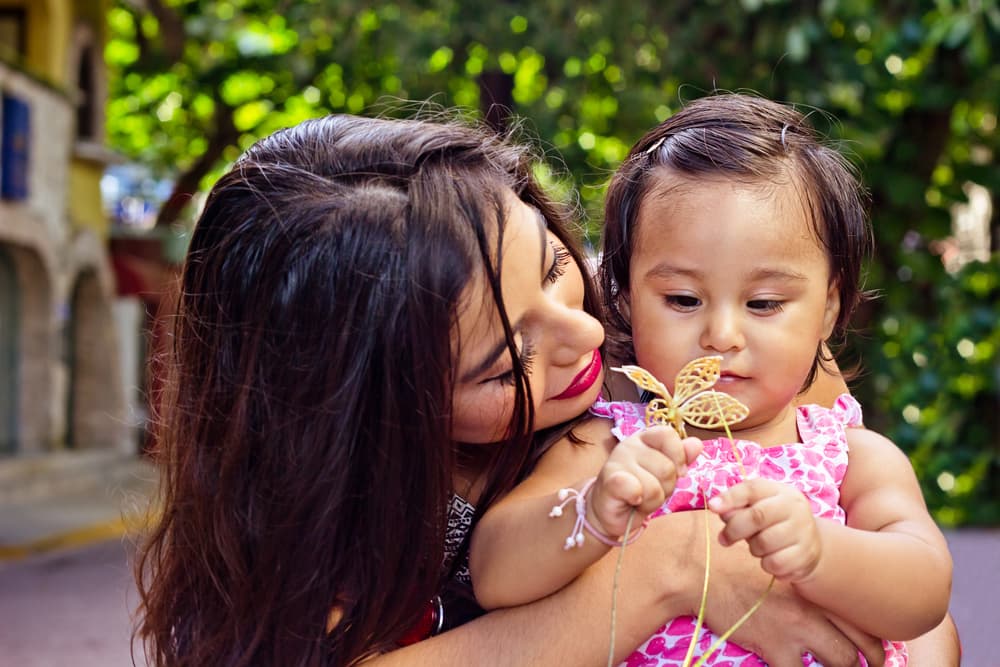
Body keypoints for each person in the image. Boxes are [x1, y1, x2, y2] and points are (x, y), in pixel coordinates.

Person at [133, 111, 957, 667]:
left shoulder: (733, 369)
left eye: (560, 265)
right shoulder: (593, 443)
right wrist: (668, 560)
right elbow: (504, 567)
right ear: (369, 412)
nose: (589, 332)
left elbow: (920, 600)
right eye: (503, 362)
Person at [468, 94, 953, 666]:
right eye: (682, 299)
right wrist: (590, 512)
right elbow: (495, 571)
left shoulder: (848, 455)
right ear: (624, 301)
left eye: (765, 303)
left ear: (827, 310)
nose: (722, 334)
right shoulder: (617, 444)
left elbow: (924, 594)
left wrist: (823, 553)